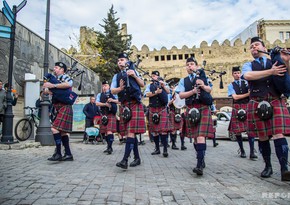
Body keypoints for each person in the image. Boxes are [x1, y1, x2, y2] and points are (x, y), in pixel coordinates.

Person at [241, 37, 290, 181]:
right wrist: (271, 72)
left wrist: (287, 62)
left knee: (278, 134)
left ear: (264, 47)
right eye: (251, 47)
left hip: (275, 99)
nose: (253, 48)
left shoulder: (275, 61)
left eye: (256, 45)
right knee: (262, 136)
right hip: (257, 100)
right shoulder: (248, 65)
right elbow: (248, 76)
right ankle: (268, 165)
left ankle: (284, 168)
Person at [175, 57, 214, 176]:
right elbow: (181, 95)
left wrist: (202, 85)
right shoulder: (183, 80)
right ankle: (201, 159)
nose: (190, 66)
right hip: (191, 108)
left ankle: (199, 165)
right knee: (196, 138)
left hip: (203, 108)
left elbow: (209, 89)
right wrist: (192, 92)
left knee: (201, 136)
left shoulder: (203, 77)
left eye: (192, 64)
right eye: (188, 65)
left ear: (196, 66)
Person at [111, 53, 146, 169]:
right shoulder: (116, 76)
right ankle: (137, 158)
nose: (120, 62)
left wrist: (135, 76)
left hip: (135, 104)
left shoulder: (134, 71)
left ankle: (125, 160)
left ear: (127, 61)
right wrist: (120, 89)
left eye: (122, 60)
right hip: (125, 106)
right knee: (130, 133)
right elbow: (112, 91)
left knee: (131, 132)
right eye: (118, 61)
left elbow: (142, 84)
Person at [43, 62, 74, 161]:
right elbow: (49, 91)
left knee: (54, 129)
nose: (54, 69)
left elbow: (69, 84)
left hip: (65, 106)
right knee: (63, 132)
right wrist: (47, 89)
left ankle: (59, 153)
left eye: (56, 68)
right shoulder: (55, 80)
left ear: (62, 70)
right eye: (54, 67)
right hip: (58, 107)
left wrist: (53, 85)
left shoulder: (65, 77)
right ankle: (68, 154)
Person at [227, 66, 257, 159]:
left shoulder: (247, 83)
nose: (237, 75)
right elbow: (235, 97)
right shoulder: (231, 85)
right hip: (237, 107)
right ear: (232, 75)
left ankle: (252, 151)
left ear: (241, 73)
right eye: (235, 73)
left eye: (238, 73)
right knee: (238, 131)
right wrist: (247, 94)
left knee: (250, 130)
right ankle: (242, 150)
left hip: (247, 106)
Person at [144, 71, 170, 157]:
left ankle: (165, 149)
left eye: (155, 76)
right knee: (154, 131)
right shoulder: (149, 85)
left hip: (162, 108)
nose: (153, 77)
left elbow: (168, 91)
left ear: (158, 77)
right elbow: (146, 94)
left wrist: (163, 85)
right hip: (153, 108)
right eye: (152, 76)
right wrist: (155, 92)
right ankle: (157, 148)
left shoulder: (163, 83)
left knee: (163, 130)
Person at [96, 80, 118, 154]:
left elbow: (119, 101)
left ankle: (110, 147)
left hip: (111, 114)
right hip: (103, 115)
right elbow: (97, 103)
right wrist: (105, 104)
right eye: (103, 86)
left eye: (105, 85)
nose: (104, 87)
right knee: (105, 132)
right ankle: (108, 147)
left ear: (109, 86)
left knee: (109, 131)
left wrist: (113, 100)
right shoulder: (100, 95)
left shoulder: (113, 93)